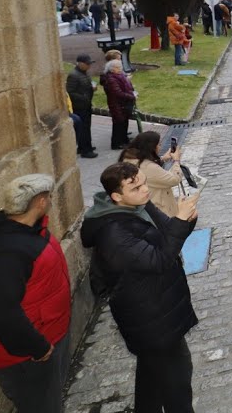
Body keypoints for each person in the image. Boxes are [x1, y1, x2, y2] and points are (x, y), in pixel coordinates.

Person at [82, 162, 200, 413]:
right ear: (116, 196)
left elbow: (169, 231)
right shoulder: (113, 233)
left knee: (151, 374)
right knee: (177, 378)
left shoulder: (138, 205)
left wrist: (186, 220)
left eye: (144, 182)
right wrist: (180, 222)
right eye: (136, 187)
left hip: (158, 305)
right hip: (148, 315)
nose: (145, 190)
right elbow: (159, 260)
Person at [0, 174, 72, 413]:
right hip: (28, 356)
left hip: (48, 338)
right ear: (40, 201)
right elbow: (4, 313)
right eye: (49, 197)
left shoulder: (30, 231)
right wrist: (39, 348)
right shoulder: (6, 255)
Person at [119, 131, 186, 219]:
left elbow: (151, 171)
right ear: (151, 147)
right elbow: (174, 179)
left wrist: (163, 159)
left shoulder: (129, 157)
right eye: (158, 145)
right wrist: (176, 161)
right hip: (159, 207)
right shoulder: (147, 166)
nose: (159, 147)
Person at [66, 53, 98, 158]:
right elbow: (70, 92)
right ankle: (85, 150)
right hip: (80, 106)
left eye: (89, 64)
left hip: (86, 104)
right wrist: (83, 97)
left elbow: (86, 85)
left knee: (86, 127)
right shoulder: (73, 75)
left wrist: (92, 88)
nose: (89, 66)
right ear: (80, 63)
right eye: (87, 64)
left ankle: (84, 146)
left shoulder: (85, 73)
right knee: (84, 128)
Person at [101, 59, 136, 150]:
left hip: (123, 104)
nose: (120, 69)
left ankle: (124, 140)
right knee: (118, 123)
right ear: (112, 69)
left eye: (120, 66)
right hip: (117, 104)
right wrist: (131, 96)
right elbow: (118, 93)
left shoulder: (120, 76)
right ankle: (117, 143)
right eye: (117, 67)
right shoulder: (111, 79)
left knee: (124, 122)